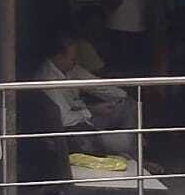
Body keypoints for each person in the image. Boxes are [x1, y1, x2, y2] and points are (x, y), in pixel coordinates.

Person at [37, 27, 139, 160]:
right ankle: (135, 157)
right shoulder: (49, 80)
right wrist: (92, 111)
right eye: (73, 59)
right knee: (129, 140)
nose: (76, 62)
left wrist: (121, 95)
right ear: (59, 57)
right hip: (75, 135)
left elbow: (97, 86)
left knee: (128, 104)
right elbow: (65, 120)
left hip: (86, 121)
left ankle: (133, 155)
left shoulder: (69, 68)